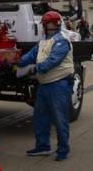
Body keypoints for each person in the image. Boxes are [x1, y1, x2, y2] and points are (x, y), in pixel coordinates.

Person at [19, 11, 74, 161]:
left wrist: (35, 68)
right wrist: (17, 59)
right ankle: (43, 146)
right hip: (45, 85)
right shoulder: (44, 40)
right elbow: (32, 54)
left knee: (59, 118)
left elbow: (52, 61)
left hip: (59, 84)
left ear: (53, 24)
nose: (43, 25)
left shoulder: (62, 40)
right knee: (40, 117)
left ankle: (63, 150)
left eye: (45, 23)